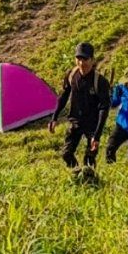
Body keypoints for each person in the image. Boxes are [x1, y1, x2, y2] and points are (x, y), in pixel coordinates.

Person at [49, 42, 111, 172]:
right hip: (75, 121)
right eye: (79, 59)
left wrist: (97, 136)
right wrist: (54, 117)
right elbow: (64, 96)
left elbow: (104, 108)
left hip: (92, 125)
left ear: (92, 60)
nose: (82, 63)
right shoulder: (71, 75)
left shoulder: (100, 81)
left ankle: (91, 182)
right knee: (66, 154)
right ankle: (77, 175)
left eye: (85, 59)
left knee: (89, 159)